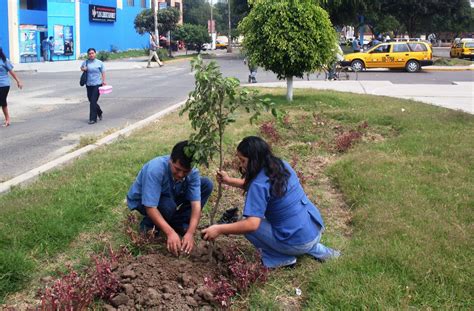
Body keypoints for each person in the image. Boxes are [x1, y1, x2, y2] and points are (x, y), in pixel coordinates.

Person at [201, 136, 340, 268]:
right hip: (313, 230)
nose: (240, 165)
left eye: (243, 160)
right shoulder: (280, 165)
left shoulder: (258, 185)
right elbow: (262, 186)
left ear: (254, 160)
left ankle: (281, 258)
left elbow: (251, 225)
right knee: (287, 216)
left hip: (297, 243)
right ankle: (317, 249)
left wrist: (218, 229)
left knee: (246, 224)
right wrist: (229, 181)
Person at [127, 141, 213, 256]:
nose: (181, 175)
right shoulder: (156, 169)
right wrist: (170, 233)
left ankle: (178, 222)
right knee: (168, 206)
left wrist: (190, 233)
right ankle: (149, 226)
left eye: (185, 172)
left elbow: (196, 205)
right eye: (177, 169)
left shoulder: (193, 172)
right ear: (170, 160)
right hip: (145, 201)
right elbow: (150, 207)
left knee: (206, 184)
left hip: (172, 193)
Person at [80, 48, 106, 124]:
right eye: (90, 53)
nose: (91, 55)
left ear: (95, 53)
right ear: (88, 55)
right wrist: (83, 69)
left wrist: (104, 81)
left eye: (92, 53)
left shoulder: (99, 63)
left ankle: (93, 119)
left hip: (97, 84)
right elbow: (81, 68)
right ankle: (99, 111)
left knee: (93, 101)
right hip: (88, 84)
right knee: (91, 100)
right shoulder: (86, 62)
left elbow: (103, 72)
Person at [0, 47, 23, 127]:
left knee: (2, 102)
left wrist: (18, 81)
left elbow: (11, 72)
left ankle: (7, 119)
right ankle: (7, 119)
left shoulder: (4, 61)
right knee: (2, 102)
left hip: (4, 84)